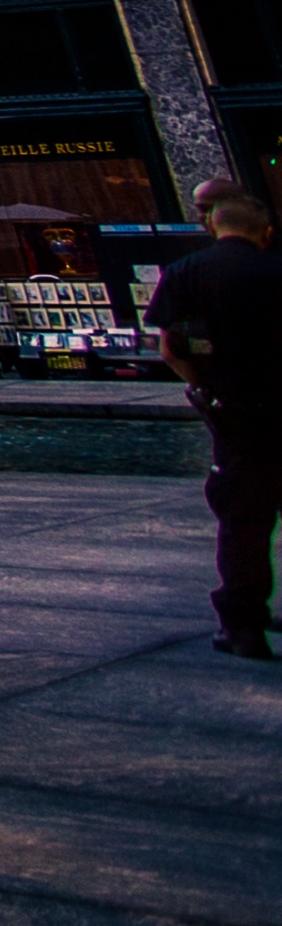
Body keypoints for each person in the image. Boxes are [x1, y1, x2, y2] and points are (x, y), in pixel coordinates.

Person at [149, 183, 280, 661]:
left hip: (236, 413)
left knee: (243, 520)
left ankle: (243, 627)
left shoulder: (186, 272)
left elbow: (169, 347)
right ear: (264, 232)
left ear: (211, 225)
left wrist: (201, 385)